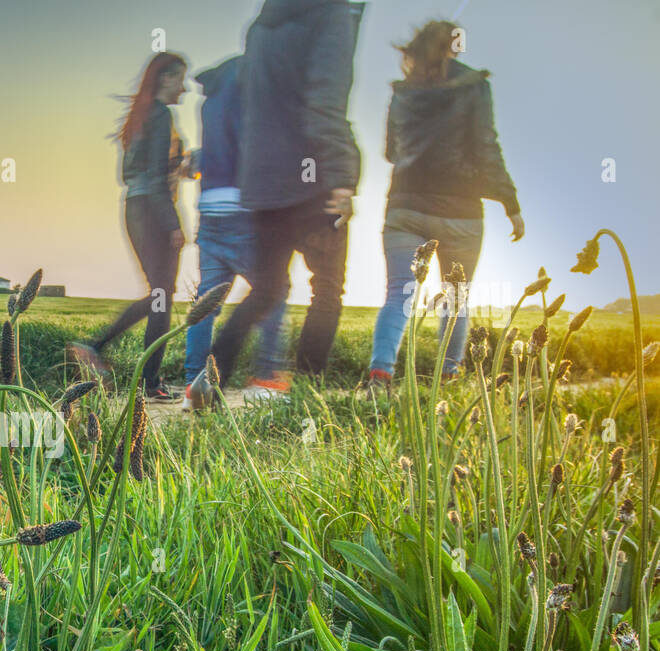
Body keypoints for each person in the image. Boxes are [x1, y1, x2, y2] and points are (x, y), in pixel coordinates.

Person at [208, 0, 365, 386]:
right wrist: (343, 174)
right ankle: (309, 391)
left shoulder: (261, 27)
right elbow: (326, 101)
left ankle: (210, 379)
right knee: (327, 287)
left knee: (267, 290)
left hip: (263, 179)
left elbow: (253, 105)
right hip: (314, 176)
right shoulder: (332, 16)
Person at [366, 20, 523, 386]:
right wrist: (510, 201)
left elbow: (391, 152)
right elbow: (486, 145)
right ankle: (448, 377)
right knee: (456, 297)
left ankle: (380, 373)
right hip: (461, 211)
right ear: (454, 47)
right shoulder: (474, 86)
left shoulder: (402, 92)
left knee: (398, 293)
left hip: (405, 206)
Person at [72, 52, 190, 402]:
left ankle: (103, 352)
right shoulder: (161, 114)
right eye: (180, 79)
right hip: (154, 211)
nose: (184, 88)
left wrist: (181, 166)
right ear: (165, 79)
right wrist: (173, 224)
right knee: (162, 296)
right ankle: (143, 378)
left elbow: (139, 173)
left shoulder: (140, 118)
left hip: (135, 208)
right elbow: (155, 177)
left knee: (160, 295)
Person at [184, 55, 290, 408]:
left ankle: (194, 384)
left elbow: (208, 155)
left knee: (207, 301)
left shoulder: (211, 104)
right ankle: (265, 378)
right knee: (273, 290)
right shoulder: (251, 98)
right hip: (243, 208)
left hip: (209, 209)